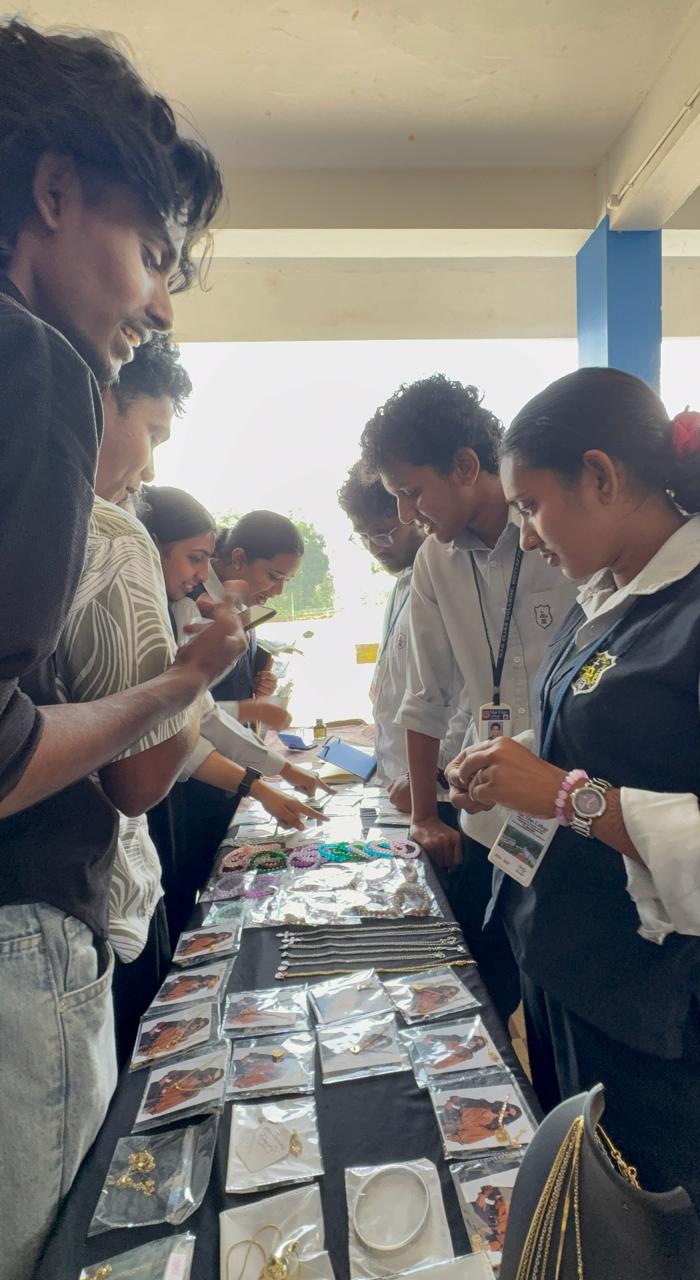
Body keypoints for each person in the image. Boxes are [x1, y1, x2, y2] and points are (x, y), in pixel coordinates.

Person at [0, 21, 242, 1278]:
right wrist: (181, 683)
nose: (155, 304)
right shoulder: (35, 363)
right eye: (150, 253)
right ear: (53, 192)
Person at [452, 367, 700, 1244]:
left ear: (601, 476)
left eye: (531, 505)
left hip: (658, 1012)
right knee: (584, 1210)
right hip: (571, 968)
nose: (526, 535)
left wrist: (564, 794)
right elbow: (596, 744)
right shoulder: (602, 596)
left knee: (662, 1233)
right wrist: (511, 769)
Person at [360, 374, 575, 1025]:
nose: (406, 515)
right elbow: (425, 696)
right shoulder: (435, 562)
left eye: (411, 492)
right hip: (487, 816)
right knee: (493, 987)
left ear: (464, 466)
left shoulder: (556, 537)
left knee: (565, 992)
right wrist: (427, 816)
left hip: (571, 803)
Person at [57, 334, 200, 1060]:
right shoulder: (109, 534)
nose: (147, 469)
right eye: (151, 433)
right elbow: (137, 782)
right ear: (101, 395)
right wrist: (196, 677)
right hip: (84, 909)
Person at [140, 486, 326, 944]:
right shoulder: (178, 610)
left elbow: (197, 712)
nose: (200, 575)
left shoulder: (208, 605)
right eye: (195, 559)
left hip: (208, 768)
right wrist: (259, 781)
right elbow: (179, 726)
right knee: (174, 905)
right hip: (170, 789)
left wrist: (277, 770)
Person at [338, 461, 470, 814]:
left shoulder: (451, 584)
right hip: (397, 785)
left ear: (414, 515)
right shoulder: (401, 586)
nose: (374, 547)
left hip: (439, 793)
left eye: (382, 533)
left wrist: (433, 774)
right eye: (363, 536)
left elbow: (471, 696)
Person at [197, 510, 305, 727]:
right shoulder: (189, 602)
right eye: (274, 576)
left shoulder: (245, 605)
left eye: (287, 580)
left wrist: (258, 684)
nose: (279, 591)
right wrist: (253, 709)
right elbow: (180, 708)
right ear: (238, 558)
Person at [439, 1096, 522, 1146]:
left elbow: (473, 1136)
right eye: (507, 1109)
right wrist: (451, 1102)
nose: (506, 1112)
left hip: (453, 1126)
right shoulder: (485, 1104)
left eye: (509, 1115)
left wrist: (455, 1137)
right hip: (451, 1112)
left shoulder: (494, 1127)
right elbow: (462, 1100)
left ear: (509, 1118)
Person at [144, 1065, 224, 1116]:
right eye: (211, 1074)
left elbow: (173, 1102)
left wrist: (156, 1108)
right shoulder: (192, 1073)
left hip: (158, 1100)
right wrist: (165, 1078)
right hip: (156, 1088)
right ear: (208, 1071)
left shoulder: (194, 1091)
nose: (209, 1077)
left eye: (212, 1078)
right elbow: (172, 1075)